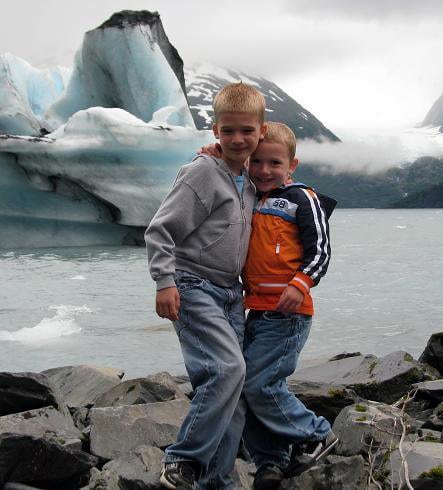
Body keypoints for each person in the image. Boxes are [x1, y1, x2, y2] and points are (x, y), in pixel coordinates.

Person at [145, 82, 267, 490]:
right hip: (193, 283)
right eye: (228, 130)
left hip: (231, 294)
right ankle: (182, 461)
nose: (237, 139)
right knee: (227, 370)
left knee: (230, 388)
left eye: (246, 131)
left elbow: (279, 157)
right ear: (215, 130)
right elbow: (159, 231)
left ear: (260, 132)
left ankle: (217, 481)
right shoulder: (203, 172)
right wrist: (164, 282)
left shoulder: (247, 179)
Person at [240, 122, 338, 489]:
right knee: (246, 386)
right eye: (257, 162)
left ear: (291, 165)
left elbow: (321, 250)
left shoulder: (302, 198)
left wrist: (302, 282)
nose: (265, 170)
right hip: (256, 310)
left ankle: (316, 432)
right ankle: (271, 461)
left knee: (259, 384)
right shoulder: (251, 197)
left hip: (288, 313)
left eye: (275, 163)